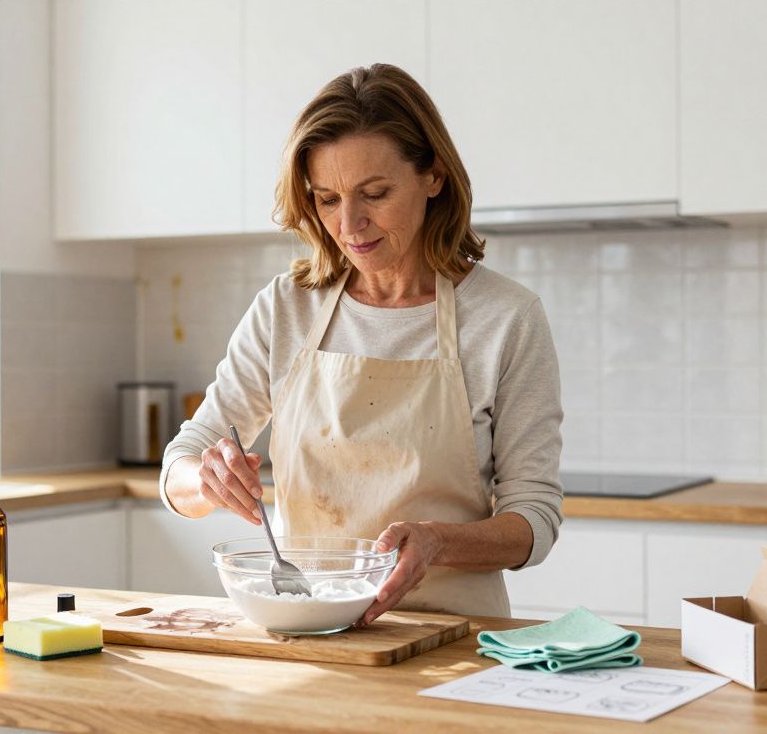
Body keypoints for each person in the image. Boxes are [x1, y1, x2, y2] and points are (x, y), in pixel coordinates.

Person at [159, 63, 563, 621]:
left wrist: (439, 543)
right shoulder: (285, 308)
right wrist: (207, 480)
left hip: (454, 638)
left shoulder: (505, 318)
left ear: (435, 177)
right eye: (326, 199)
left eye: (375, 193)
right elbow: (180, 464)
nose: (350, 225)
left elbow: (534, 519)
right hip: (307, 629)